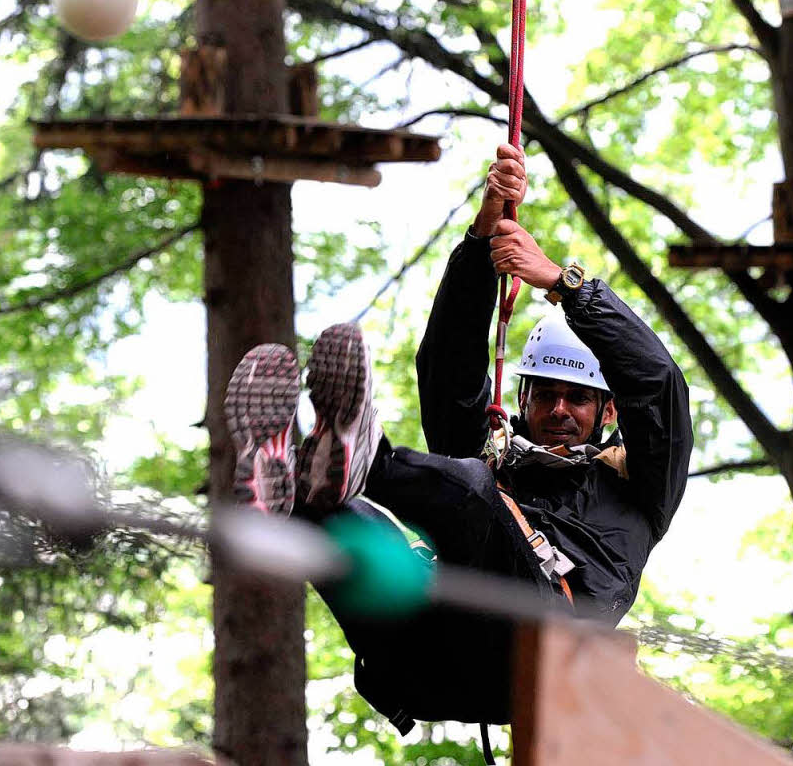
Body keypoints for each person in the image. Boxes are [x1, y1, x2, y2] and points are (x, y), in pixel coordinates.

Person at [222, 144, 693, 735]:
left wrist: (561, 284)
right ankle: (293, 486)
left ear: (606, 411)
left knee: (469, 488)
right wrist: (481, 242)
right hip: (422, 658)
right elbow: (448, 369)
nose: (559, 409)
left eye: (576, 398)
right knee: (355, 521)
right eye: (544, 394)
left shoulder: (639, 486)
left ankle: (357, 461)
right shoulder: (502, 457)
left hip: (538, 646)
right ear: (522, 400)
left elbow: (658, 383)